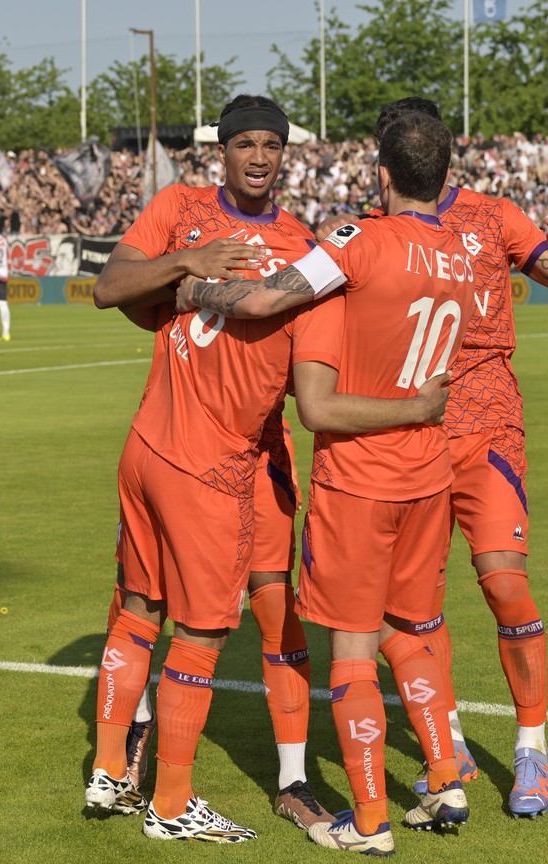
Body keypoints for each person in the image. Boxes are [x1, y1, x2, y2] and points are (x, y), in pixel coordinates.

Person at [84, 95, 444, 844]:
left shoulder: (302, 242)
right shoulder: (179, 207)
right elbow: (110, 288)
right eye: (244, 143)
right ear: (222, 148)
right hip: (198, 457)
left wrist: (186, 289)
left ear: (285, 153)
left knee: (261, 611)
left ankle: (283, 778)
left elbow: (248, 303)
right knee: (186, 622)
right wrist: (183, 262)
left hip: (247, 451)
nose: (258, 156)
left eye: (270, 146)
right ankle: (154, 792)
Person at [181, 109, 474, 854]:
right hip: (429, 473)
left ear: (381, 176)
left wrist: (193, 288)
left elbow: (264, 301)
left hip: (362, 480)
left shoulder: (354, 242)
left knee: (351, 649)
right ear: (444, 178)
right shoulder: (460, 253)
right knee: (406, 631)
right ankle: (445, 776)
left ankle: (369, 821)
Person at [366, 97, 548, 820]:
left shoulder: (496, 217)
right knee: (410, 609)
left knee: (505, 585)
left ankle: (532, 750)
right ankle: (453, 745)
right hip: (411, 432)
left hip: (490, 425)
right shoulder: (374, 232)